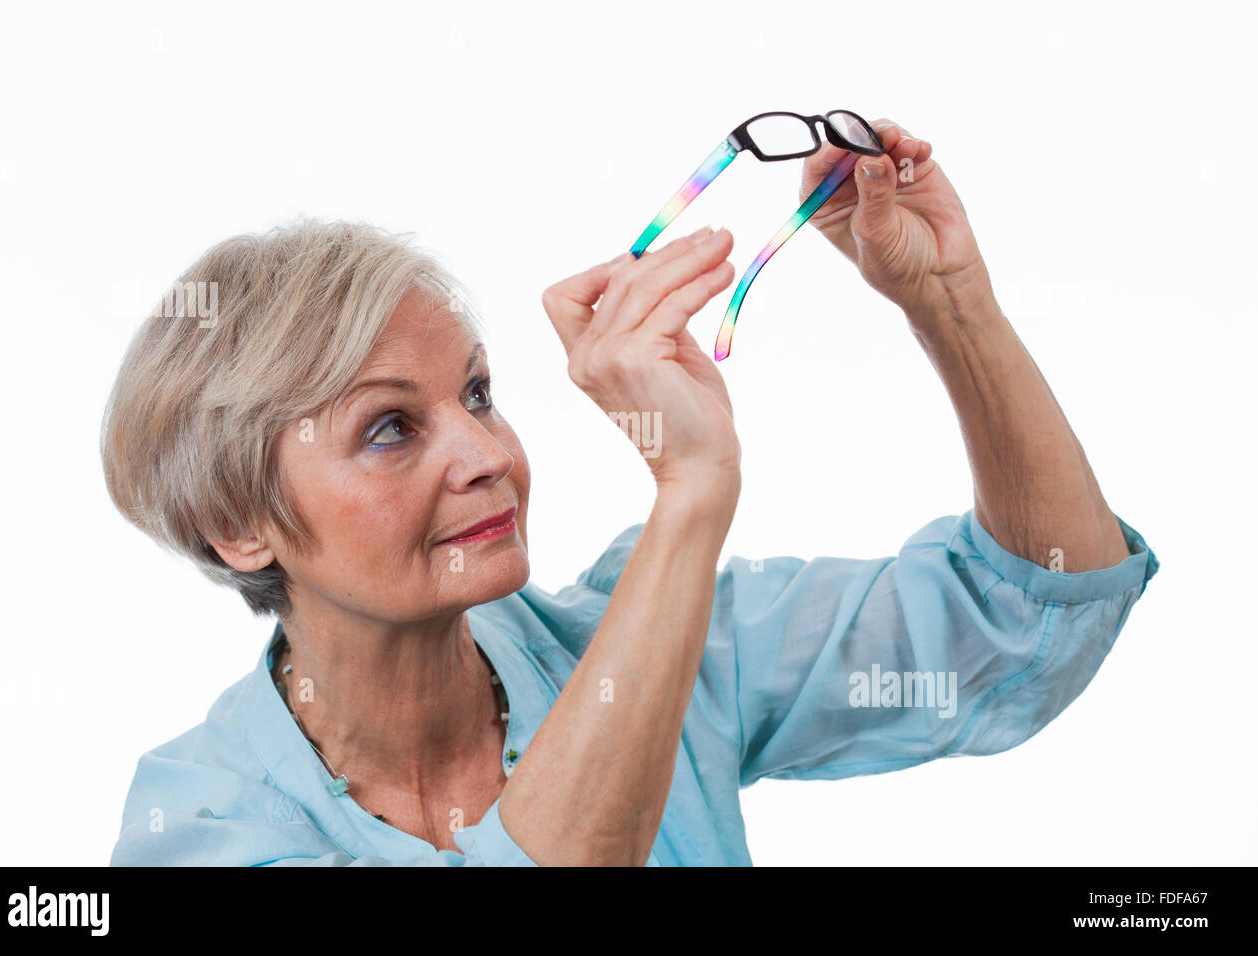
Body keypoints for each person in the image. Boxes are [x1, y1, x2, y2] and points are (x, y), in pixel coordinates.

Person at [102, 118, 1159, 866]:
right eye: (390, 428)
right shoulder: (200, 823)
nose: (483, 451)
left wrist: (949, 300)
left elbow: (1029, 612)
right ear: (235, 526)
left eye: (477, 392)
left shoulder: (653, 638)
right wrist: (690, 488)